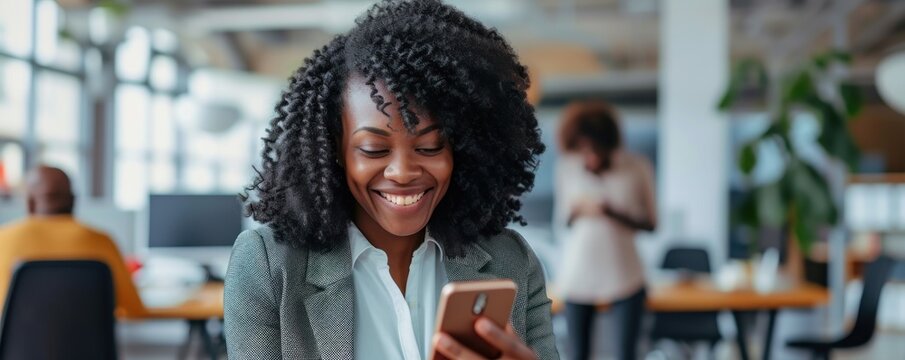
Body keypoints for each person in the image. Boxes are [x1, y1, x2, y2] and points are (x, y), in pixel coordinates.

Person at [224, 1, 557, 359]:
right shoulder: (268, 265)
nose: (403, 172)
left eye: (430, 146)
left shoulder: (511, 262)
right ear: (335, 149)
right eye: (373, 149)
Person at [554, 101, 657, 360]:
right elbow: (562, 222)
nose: (589, 156)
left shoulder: (637, 167)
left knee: (626, 353)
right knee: (577, 354)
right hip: (578, 277)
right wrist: (578, 210)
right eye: (583, 149)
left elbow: (651, 224)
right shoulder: (567, 167)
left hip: (626, 276)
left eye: (595, 149)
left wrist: (612, 212)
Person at [0, 166, 145, 318]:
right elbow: (135, 310)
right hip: (91, 342)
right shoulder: (102, 242)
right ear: (73, 200)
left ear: (29, 202)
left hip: (14, 341)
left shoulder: (3, 238)